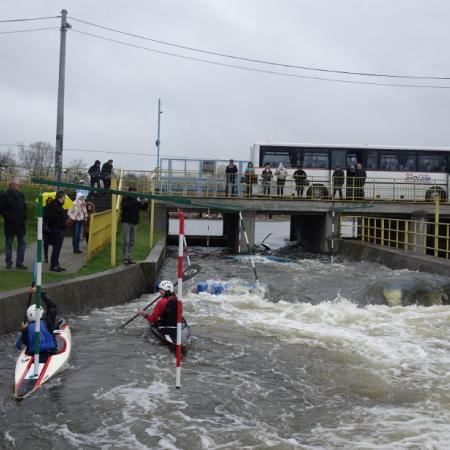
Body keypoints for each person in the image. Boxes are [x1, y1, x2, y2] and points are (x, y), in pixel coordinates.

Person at [18, 287, 58, 354]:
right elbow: (52, 306)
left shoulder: (27, 329)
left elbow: (26, 342)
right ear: (41, 312)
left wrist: (24, 330)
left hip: (35, 355)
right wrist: (39, 292)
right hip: (51, 352)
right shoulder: (48, 322)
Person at [0, 179, 27, 269]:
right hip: (10, 225)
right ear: (11, 185)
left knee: (22, 244)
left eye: (19, 184)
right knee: (9, 245)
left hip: (21, 225)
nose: (18, 186)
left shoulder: (21, 195)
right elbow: (2, 209)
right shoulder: (5, 195)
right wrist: (9, 217)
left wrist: (24, 216)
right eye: (17, 184)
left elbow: (24, 207)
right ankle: (9, 262)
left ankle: (19, 263)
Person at [121, 186, 148, 265]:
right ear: (129, 192)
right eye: (132, 191)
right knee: (126, 241)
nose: (133, 193)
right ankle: (125, 258)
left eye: (135, 192)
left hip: (134, 223)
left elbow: (144, 208)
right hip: (126, 222)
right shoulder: (125, 199)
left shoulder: (136, 200)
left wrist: (146, 202)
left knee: (132, 241)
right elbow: (127, 206)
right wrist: (136, 200)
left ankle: (129, 257)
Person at [46, 191, 67, 272]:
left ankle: (56, 264)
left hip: (60, 229)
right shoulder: (54, 205)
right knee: (56, 248)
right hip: (56, 230)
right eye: (64, 197)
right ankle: (54, 265)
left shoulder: (59, 205)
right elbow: (51, 218)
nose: (65, 198)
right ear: (60, 197)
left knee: (57, 248)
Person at [43, 197, 53, 263]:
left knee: (53, 243)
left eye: (51, 201)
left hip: (52, 227)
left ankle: (53, 257)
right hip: (45, 227)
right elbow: (42, 217)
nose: (49, 202)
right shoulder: (44, 208)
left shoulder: (54, 209)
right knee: (46, 243)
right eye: (48, 201)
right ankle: (46, 256)